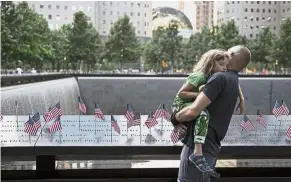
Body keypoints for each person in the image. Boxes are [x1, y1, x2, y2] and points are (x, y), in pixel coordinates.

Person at [171, 45, 251, 182]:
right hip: (213, 144)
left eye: (227, 51)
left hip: (199, 145)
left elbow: (192, 111)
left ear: (231, 54)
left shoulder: (219, 78)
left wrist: (174, 118)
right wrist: (242, 99)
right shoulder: (233, 80)